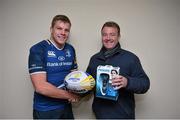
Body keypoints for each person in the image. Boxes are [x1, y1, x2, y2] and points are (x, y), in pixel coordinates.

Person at [86, 21, 150, 119]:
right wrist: (76, 89)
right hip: (100, 115)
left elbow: (145, 84)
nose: (108, 38)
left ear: (118, 36)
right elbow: (88, 84)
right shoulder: (94, 59)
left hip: (123, 115)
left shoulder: (130, 58)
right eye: (105, 35)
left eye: (112, 35)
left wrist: (127, 82)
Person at [28, 15, 80, 119]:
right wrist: (70, 96)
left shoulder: (70, 49)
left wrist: (82, 89)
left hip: (66, 107)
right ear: (51, 29)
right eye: (59, 28)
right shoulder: (38, 49)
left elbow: (74, 77)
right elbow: (41, 87)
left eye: (66, 30)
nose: (63, 33)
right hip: (46, 110)